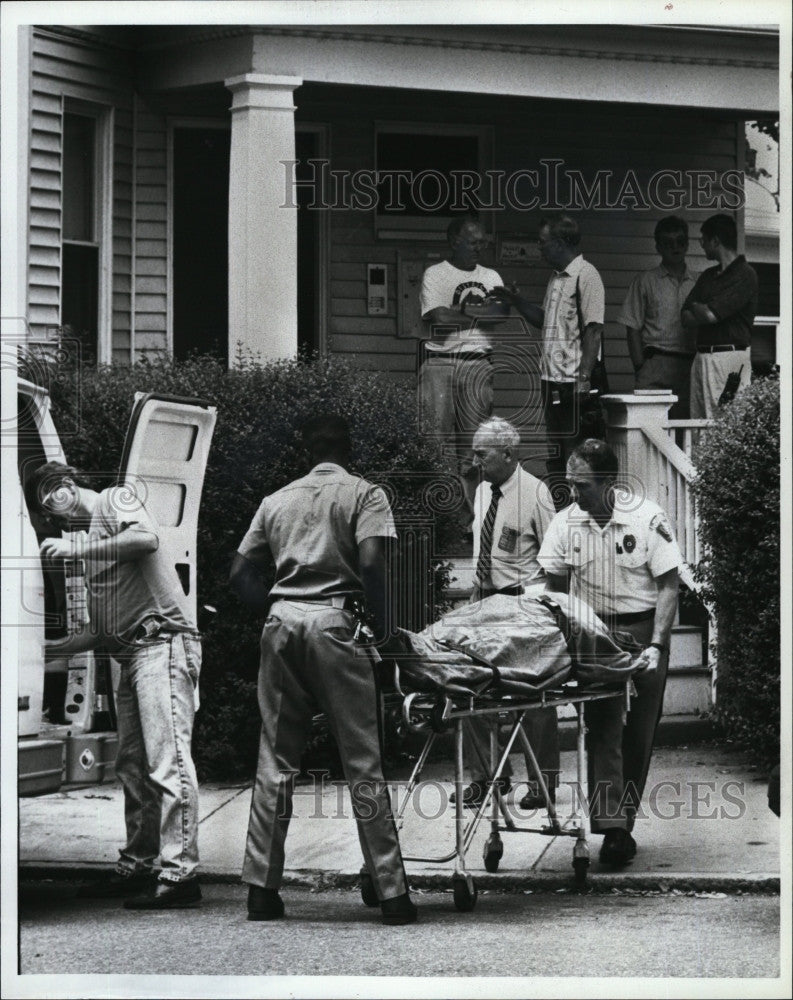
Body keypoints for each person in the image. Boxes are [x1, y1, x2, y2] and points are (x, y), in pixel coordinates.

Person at [229, 415, 417, 925]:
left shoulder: (276, 500)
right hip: (338, 623)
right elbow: (374, 564)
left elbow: (241, 570)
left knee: (275, 759)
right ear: (348, 449)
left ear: (306, 450)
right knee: (362, 761)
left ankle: (261, 892)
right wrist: (382, 629)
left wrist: (272, 608)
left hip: (282, 622)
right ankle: (392, 893)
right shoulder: (365, 494)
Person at [27, 461, 203, 909]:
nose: (57, 516)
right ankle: (139, 864)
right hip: (130, 654)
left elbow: (147, 539)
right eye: (48, 512)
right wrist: (38, 648)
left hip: (161, 644)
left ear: (66, 485)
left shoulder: (114, 498)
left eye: (53, 501)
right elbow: (97, 631)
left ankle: (181, 874)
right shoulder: (93, 543)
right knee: (131, 765)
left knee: (168, 762)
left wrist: (77, 550)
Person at [537, 439, 681, 866]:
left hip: (642, 628)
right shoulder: (564, 524)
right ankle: (612, 829)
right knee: (603, 726)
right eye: (569, 484)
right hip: (593, 632)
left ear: (610, 482)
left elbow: (669, 585)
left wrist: (657, 643)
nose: (574, 494)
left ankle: (625, 819)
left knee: (639, 732)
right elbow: (553, 588)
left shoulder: (646, 516)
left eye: (582, 485)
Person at [451, 417, 561, 810]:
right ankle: (488, 776)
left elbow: (554, 558)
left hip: (523, 601)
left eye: (483, 453)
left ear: (509, 454)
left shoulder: (536, 493)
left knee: (533, 697)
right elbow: (484, 532)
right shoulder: (484, 490)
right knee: (471, 685)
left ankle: (542, 782)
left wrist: (547, 611)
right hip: (484, 600)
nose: (475, 459)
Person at [492, 214, 605, 507]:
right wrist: (517, 301)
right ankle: (561, 516)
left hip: (574, 383)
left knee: (578, 456)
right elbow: (545, 320)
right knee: (556, 457)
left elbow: (594, 329)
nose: (539, 248)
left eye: (543, 243)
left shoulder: (586, 275)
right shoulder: (556, 278)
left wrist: (584, 378)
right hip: (552, 381)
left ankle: (582, 515)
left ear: (561, 242)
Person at [418, 216, 509, 516]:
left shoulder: (492, 276)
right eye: (473, 242)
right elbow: (439, 320)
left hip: (476, 365)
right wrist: (478, 312)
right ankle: (439, 517)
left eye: (482, 243)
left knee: (476, 449)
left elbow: (499, 315)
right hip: (440, 365)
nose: (479, 248)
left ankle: (471, 521)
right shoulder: (436, 274)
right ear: (454, 241)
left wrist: (458, 310)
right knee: (435, 442)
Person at [618, 215, 697, 419]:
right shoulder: (646, 281)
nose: (675, 247)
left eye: (680, 242)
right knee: (650, 428)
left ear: (687, 244)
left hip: (690, 365)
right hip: (656, 363)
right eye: (668, 243)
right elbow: (632, 327)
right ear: (658, 247)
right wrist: (641, 366)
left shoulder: (698, 282)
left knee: (685, 429)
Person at [681, 213, 758, 418]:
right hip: (702, 359)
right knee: (698, 424)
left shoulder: (745, 274)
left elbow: (709, 315)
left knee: (726, 422)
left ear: (716, 240)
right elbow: (684, 316)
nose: (702, 244)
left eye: (704, 239)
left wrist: (699, 307)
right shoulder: (708, 276)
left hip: (729, 360)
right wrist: (702, 309)